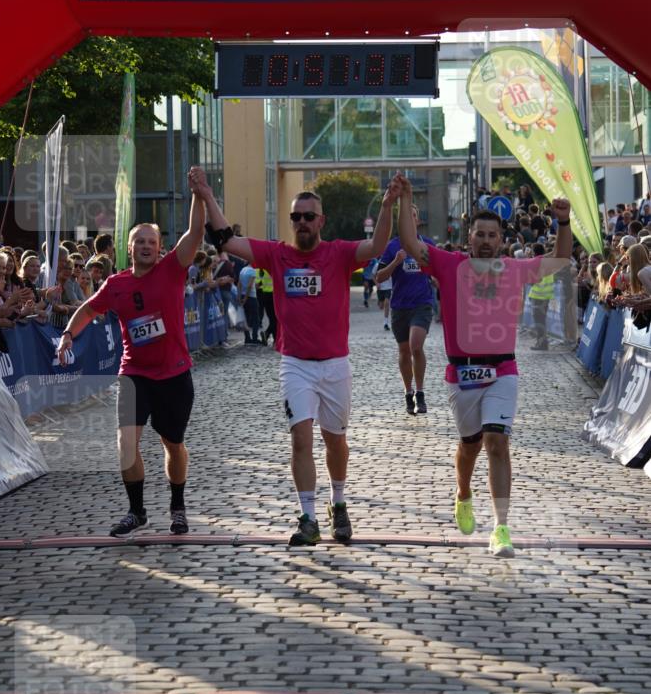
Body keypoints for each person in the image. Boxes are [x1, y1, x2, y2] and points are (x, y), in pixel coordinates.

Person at [191, 166, 399, 546]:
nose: (301, 223)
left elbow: (378, 246)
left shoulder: (338, 254)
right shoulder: (277, 255)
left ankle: (338, 502)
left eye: (308, 217)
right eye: (295, 217)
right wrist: (205, 195)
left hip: (335, 364)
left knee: (335, 442)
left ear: (321, 220)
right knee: (300, 440)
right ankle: (308, 517)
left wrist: (387, 205)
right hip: (295, 365)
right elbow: (225, 240)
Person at [399, 178, 572, 558]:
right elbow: (412, 245)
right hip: (461, 374)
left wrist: (563, 222)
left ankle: (501, 527)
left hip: (503, 370)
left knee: (497, 442)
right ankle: (463, 492)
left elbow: (560, 259)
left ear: (501, 238)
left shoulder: (515, 268)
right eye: (480, 234)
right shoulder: (448, 264)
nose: (487, 240)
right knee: (470, 446)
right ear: (469, 238)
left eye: (493, 235)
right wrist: (405, 201)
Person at [56, 169, 207, 538]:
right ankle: (136, 511)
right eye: (138, 240)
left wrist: (198, 195)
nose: (145, 246)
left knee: (172, 443)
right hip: (134, 373)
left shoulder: (173, 268)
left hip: (173, 374)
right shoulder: (116, 284)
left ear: (160, 247)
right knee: (126, 443)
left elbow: (196, 234)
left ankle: (177, 505)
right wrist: (66, 336)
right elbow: (88, 310)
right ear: (128, 248)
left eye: (151, 241)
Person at [375, 205, 435, 415]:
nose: (410, 220)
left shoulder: (427, 244)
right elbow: (379, 276)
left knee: (416, 346)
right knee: (404, 351)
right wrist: (395, 262)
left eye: (413, 216)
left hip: (422, 303)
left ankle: (420, 392)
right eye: (405, 217)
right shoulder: (393, 247)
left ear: (418, 221)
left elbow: (439, 272)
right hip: (400, 306)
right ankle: (408, 392)